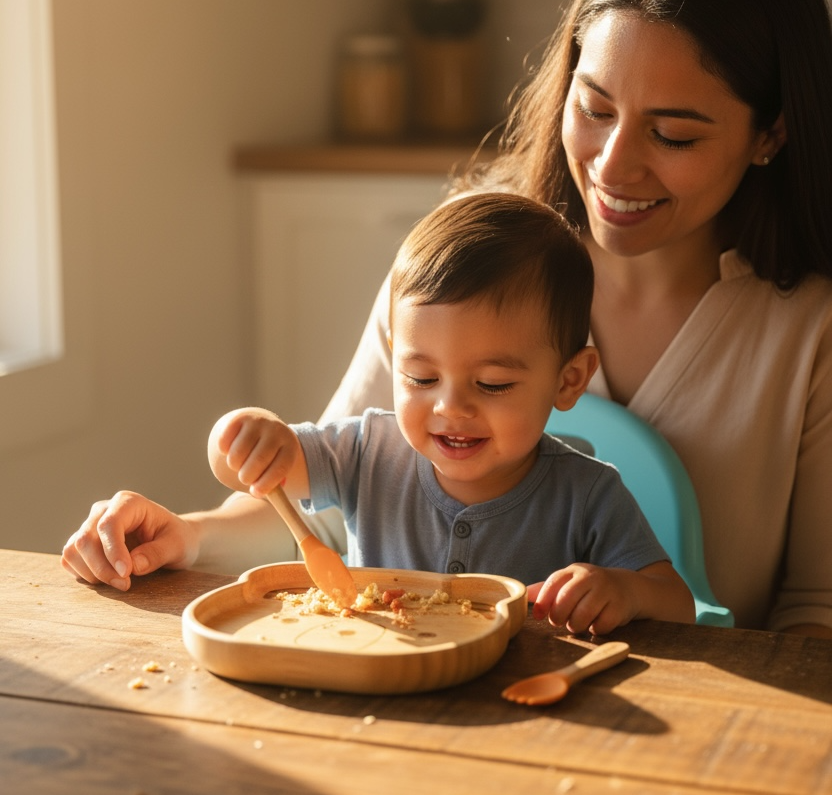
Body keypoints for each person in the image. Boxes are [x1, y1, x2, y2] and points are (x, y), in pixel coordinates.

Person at [63, 0, 832, 637]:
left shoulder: (810, 328)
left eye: (671, 134)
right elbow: (337, 504)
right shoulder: (466, 254)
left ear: (771, 133)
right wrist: (186, 538)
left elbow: (816, 613)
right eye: (593, 109)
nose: (613, 163)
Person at [207, 193, 693, 635]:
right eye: (420, 378)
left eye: (492, 384)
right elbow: (243, 468)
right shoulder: (366, 451)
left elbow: (679, 604)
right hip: (380, 684)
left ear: (569, 380)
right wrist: (244, 434)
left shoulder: (589, 494)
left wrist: (625, 591)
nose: (450, 407)